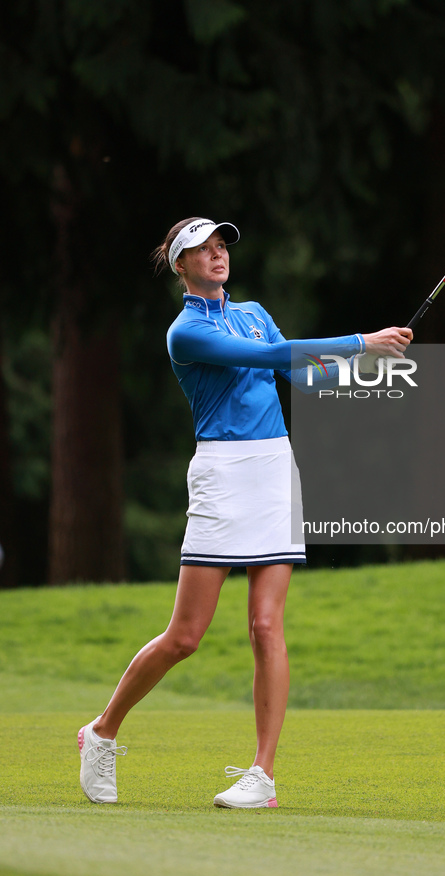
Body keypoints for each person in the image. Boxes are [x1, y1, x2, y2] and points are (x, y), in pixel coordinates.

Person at [78, 216, 412, 809]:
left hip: (274, 470)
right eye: (200, 250)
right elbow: (273, 355)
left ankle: (263, 775)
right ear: (179, 265)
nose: (216, 255)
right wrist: (363, 341)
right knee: (185, 637)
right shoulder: (185, 333)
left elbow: (292, 368)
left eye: (220, 245)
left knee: (266, 626)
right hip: (223, 476)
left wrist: (363, 373)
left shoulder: (253, 312)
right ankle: (101, 732)